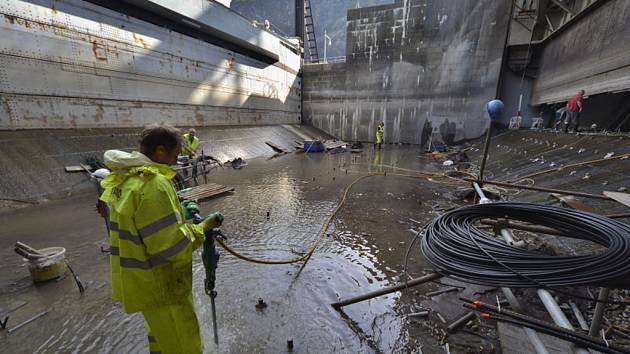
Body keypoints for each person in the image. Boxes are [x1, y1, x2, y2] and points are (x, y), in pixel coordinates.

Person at [99, 124, 223, 354]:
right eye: (175, 154)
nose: (178, 160)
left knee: (161, 341)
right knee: (183, 344)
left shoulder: (125, 179)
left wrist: (179, 213)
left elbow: (144, 224)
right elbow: (173, 247)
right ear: (160, 152)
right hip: (165, 286)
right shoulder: (153, 185)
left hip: (144, 284)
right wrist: (202, 227)